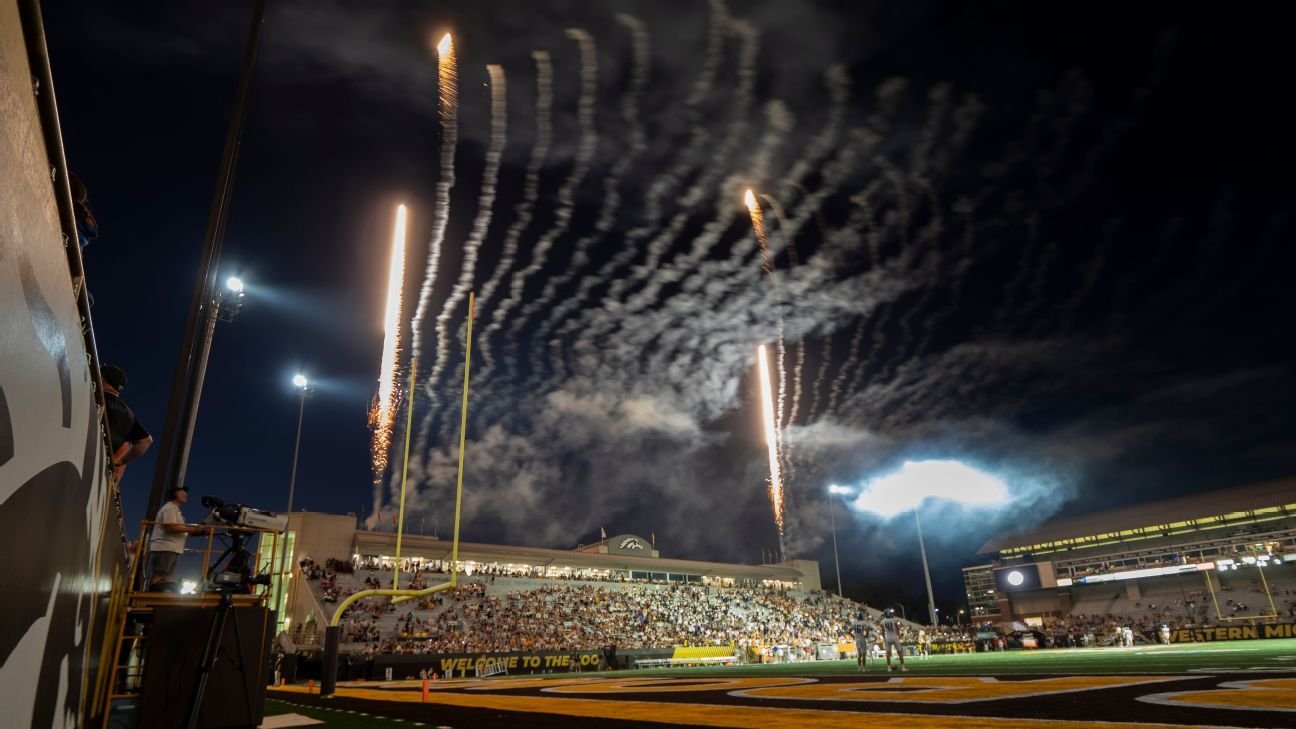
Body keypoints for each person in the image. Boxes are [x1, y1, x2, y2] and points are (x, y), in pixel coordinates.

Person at [148, 485, 205, 590]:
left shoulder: (176, 511)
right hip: (165, 547)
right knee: (160, 575)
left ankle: (158, 598)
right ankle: (151, 596)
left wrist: (200, 530)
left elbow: (181, 530)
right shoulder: (169, 508)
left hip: (172, 548)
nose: (185, 494)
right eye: (181, 492)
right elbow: (171, 528)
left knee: (166, 577)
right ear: (174, 495)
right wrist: (192, 529)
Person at [101, 365, 151, 483]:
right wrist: (120, 461)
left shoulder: (97, 397)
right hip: (99, 468)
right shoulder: (129, 414)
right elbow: (146, 442)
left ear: (102, 378)